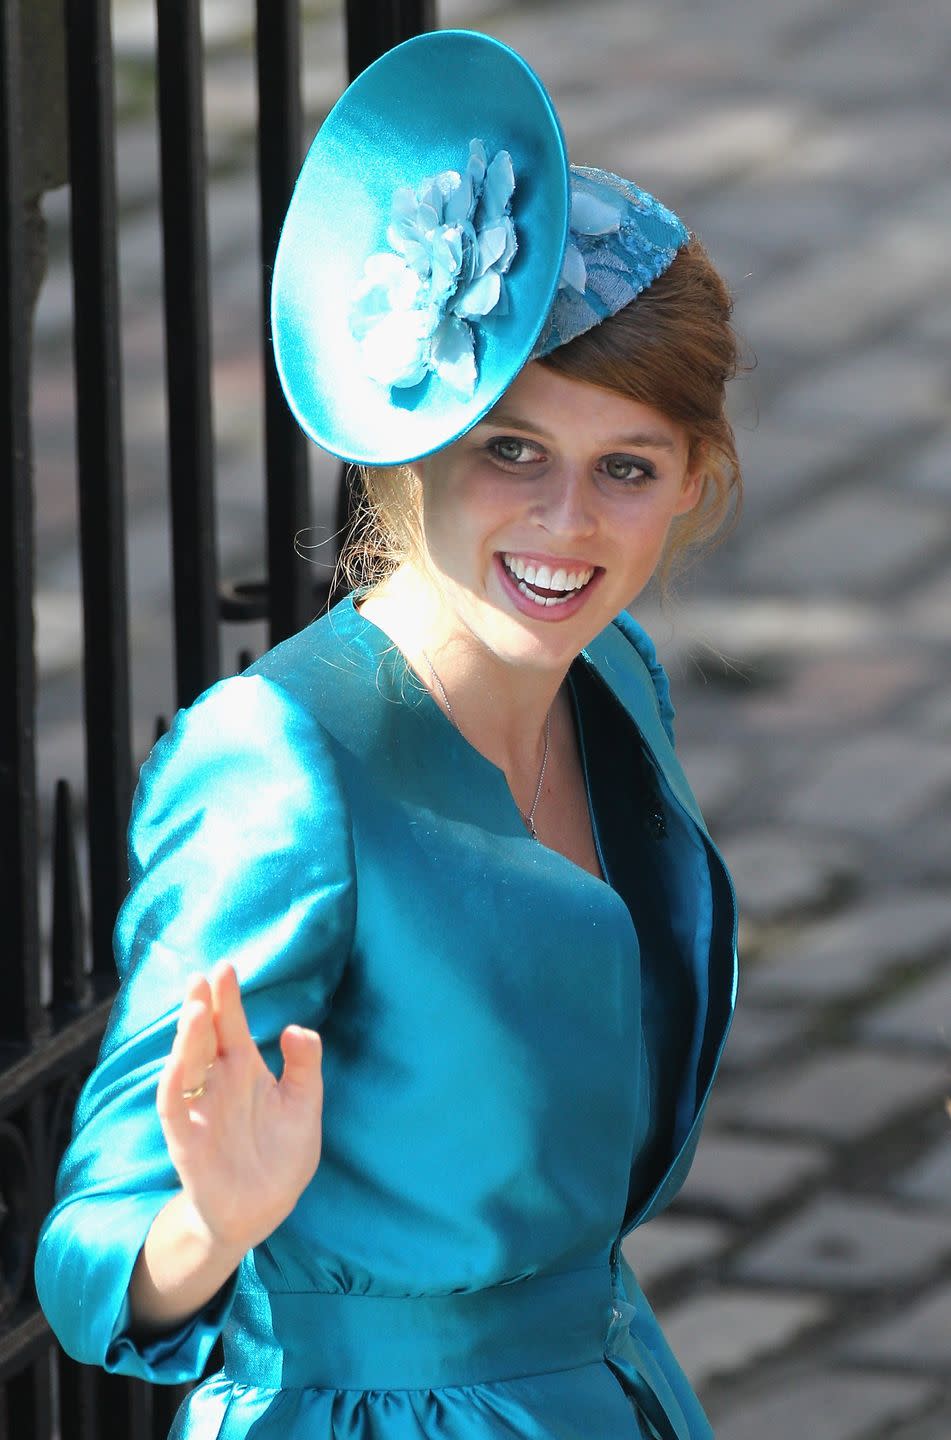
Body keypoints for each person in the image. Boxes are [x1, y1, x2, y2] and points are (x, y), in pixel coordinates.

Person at [36, 29, 740, 1440]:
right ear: (417, 449)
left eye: (625, 470)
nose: (565, 526)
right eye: (512, 452)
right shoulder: (277, 763)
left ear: (693, 484)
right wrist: (213, 1228)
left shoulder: (618, 688)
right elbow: (88, 1256)